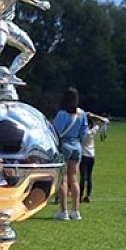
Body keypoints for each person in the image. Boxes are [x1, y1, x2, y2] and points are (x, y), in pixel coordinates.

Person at [53, 87, 88, 221]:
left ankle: (63, 211)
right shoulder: (82, 114)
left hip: (64, 145)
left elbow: (56, 131)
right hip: (77, 146)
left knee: (63, 179)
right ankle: (75, 210)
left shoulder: (62, 114)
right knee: (74, 179)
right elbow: (84, 132)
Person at [79, 113, 109, 203]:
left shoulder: (82, 133)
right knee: (89, 177)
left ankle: (80, 196)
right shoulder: (93, 131)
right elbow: (105, 121)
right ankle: (88, 196)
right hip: (91, 156)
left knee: (82, 177)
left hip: (83, 155)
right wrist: (94, 116)